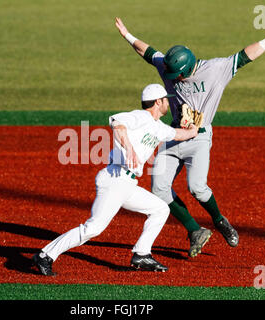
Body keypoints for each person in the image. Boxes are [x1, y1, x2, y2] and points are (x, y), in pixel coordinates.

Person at [115, 17, 265, 257]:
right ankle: (194, 230)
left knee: (197, 188)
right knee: (159, 189)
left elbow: (244, 57)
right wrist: (127, 35)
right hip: (173, 134)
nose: (172, 78)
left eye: (177, 75)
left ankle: (219, 220)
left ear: (188, 69)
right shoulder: (168, 68)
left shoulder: (216, 70)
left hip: (199, 137)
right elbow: (148, 53)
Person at [33, 84, 199, 276]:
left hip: (127, 184)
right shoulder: (141, 116)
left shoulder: (157, 126)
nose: (168, 103)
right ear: (157, 102)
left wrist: (193, 131)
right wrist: (128, 147)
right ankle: (45, 255)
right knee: (93, 228)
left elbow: (177, 134)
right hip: (115, 179)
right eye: (165, 99)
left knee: (160, 209)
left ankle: (142, 254)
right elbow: (116, 123)